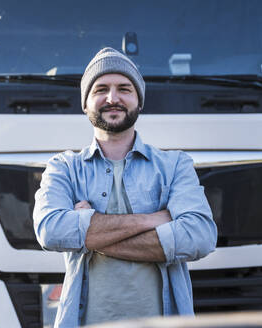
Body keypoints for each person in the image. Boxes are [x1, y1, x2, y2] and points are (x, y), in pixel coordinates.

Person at [33, 47, 217, 327]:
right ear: (85, 103)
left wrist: (89, 229)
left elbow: (200, 236)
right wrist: (154, 219)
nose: (112, 98)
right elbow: (51, 230)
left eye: (124, 88)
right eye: (101, 89)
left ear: (139, 102)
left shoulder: (174, 165)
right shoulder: (64, 167)